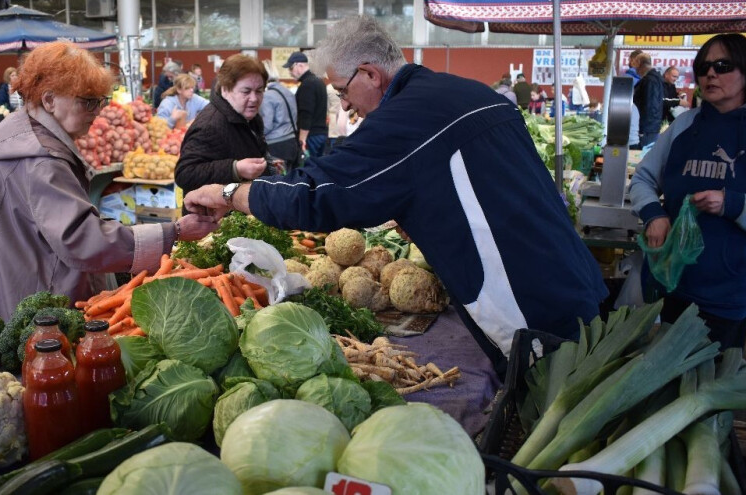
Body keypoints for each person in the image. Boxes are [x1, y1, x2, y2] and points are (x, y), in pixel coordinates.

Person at [184, 15, 608, 376]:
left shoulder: (403, 122)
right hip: (571, 277)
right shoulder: (469, 93)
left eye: (343, 92)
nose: (347, 107)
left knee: (555, 425)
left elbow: (317, 194)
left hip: (531, 310)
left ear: (370, 74)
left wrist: (228, 192)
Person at [0, 41, 218, 321]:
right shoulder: (41, 160)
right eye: (87, 101)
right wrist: (173, 232)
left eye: (100, 101)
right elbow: (83, 240)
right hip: (34, 304)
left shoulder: (17, 139)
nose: (97, 111)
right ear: (49, 100)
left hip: (13, 288)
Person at [629, 33, 746, 350]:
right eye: (704, 66)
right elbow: (642, 179)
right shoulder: (683, 125)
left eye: (722, 66)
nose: (710, 74)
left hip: (729, 297)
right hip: (672, 285)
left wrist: (732, 204)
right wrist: (654, 214)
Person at [174, 54, 274, 214]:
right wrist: (235, 168)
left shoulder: (250, 117)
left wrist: (267, 165)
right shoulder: (210, 125)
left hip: (240, 216)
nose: (254, 98)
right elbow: (185, 174)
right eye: (246, 91)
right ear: (226, 89)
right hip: (211, 225)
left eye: (259, 91)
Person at [283, 52, 328, 158]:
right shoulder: (318, 81)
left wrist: (302, 139)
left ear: (300, 65)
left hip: (310, 136)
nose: (290, 72)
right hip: (321, 134)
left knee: (308, 169)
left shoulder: (307, 84)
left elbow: (306, 113)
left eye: (290, 68)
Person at [259, 60, 300, 170]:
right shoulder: (288, 92)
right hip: (292, 142)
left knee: (278, 181)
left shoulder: (267, 96)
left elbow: (267, 125)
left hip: (276, 145)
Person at [632, 52, 664, 149]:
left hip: (647, 129)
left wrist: (642, 129)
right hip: (651, 127)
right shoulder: (656, 79)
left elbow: (649, 106)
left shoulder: (649, 81)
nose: (636, 71)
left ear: (640, 65)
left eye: (636, 68)